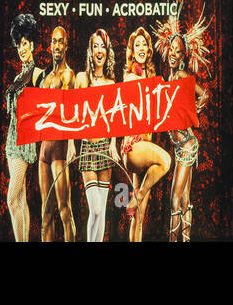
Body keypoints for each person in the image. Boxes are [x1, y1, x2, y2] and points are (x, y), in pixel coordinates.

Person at [152, 15, 210, 242]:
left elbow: (205, 93)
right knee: (185, 198)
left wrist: (194, 111)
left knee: (174, 198)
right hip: (180, 146)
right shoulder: (169, 77)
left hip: (187, 144)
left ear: (184, 55)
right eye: (172, 51)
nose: (174, 55)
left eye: (178, 52)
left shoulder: (183, 76)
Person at [120, 27, 171, 242]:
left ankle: (137, 202)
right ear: (132, 51)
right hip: (135, 147)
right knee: (166, 161)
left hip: (143, 151)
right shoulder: (131, 75)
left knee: (139, 216)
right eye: (136, 45)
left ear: (149, 50)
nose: (141, 48)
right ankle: (136, 197)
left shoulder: (148, 75)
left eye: (144, 44)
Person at [73, 28, 119, 242]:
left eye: (103, 46)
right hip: (87, 149)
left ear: (107, 52)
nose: (99, 50)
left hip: (105, 149)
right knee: (97, 210)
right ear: (90, 51)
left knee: (102, 214)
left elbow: (115, 119)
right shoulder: (82, 78)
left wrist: (114, 143)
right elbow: (71, 115)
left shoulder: (111, 83)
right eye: (95, 46)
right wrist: (71, 145)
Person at [5, 13, 45, 241]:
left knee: (12, 198)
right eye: (18, 44)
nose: (21, 49)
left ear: (33, 45)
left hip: (23, 141)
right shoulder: (20, 74)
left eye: (25, 44)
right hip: (12, 141)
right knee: (19, 197)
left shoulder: (36, 73)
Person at [38, 24, 76, 242]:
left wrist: (71, 143)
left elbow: (69, 112)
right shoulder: (45, 79)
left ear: (66, 46)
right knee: (45, 213)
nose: (57, 45)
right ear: (50, 45)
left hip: (60, 147)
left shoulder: (68, 76)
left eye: (61, 41)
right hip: (44, 148)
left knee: (64, 211)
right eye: (54, 41)